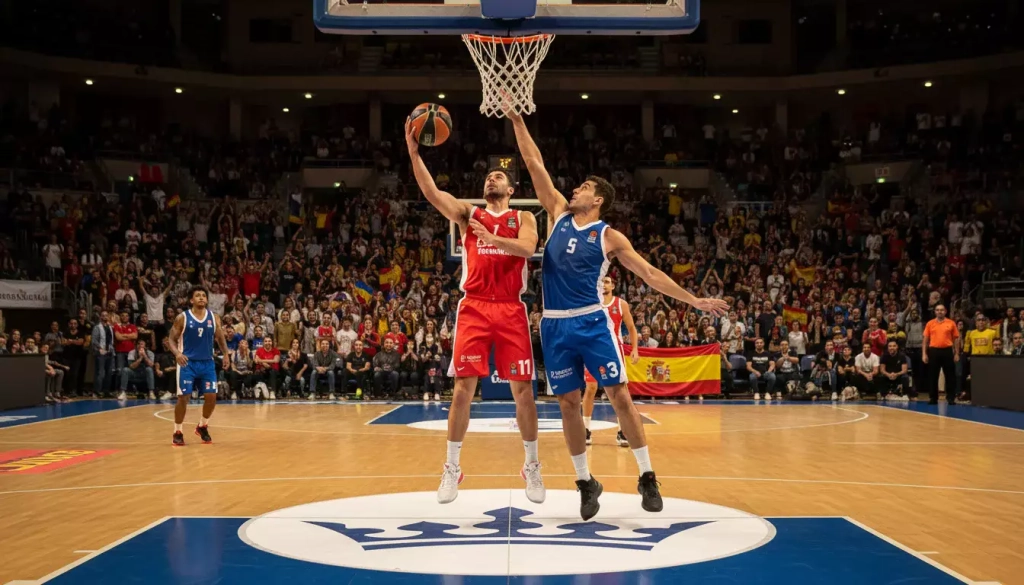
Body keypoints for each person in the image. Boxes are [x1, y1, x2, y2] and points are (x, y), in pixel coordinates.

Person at [509, 108, 728, 520]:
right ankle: (585, 483)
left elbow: (649, 273)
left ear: (598, 200)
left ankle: (646, 475)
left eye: (584, 187)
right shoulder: (556, 214)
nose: (575, 189)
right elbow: (534, 162)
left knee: (620, 396)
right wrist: (518, 120)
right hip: (554, 324)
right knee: (568, 405)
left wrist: (693, 301)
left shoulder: (608, 235)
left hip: (592, 321)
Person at [406, 118, 544, 506]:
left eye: (498, 176)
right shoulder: (468, 214)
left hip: (511, 308)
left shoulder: (524, 218)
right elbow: (432, 193)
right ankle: (452, 467)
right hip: (475, 307)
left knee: (524, 394)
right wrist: (415, 152)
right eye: (487, 177)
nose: (491, 180)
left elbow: (528, 249)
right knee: (462, 390)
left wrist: (494, 237)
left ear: (511, 189)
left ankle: (531, 465)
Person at [168, 286, 230, 446]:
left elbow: (220, 338)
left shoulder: (214, 318)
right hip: (187, 363)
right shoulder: (182, 317)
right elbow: (171, 340)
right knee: (184, 398)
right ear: (191, 300)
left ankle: (202, 425)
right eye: (198, 295)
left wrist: (226, 354)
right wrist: (177, 354)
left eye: (204, 295)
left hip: (207, 363)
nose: (201, 298)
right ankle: (178, 431)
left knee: (211, 397)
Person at [582, 276, 639, 447]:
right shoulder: (591, 303)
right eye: (601, 282)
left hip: (613, 351)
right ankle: (585, 429)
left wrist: (635, 349)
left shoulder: (621, 304)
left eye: (607, 282)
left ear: (613, 285)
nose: (604, 284)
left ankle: (623, 431)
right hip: (592, 349)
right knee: (590, 388)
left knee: (619, 391)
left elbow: (631, 328)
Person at [923, 304, 960, 405]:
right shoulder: (930, 323)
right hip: (934, 351)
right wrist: (924, 354)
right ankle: (933, 398)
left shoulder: (951, 323)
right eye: (937, 310)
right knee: (933, 376)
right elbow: (926, 340)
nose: (939, 312)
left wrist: (957, 353)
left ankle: (951, 398)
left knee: (950, 376)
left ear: (945, 311)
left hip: (947, 351)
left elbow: (956, 339)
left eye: (941, 310)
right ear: (935, 312)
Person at [961, 314, 997, 403]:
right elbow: (966, 347)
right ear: (976, 323)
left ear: (986, 322)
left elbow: (997, 345)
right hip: (975, 360)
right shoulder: (971, 333)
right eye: (979, 320)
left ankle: (989, 398)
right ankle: (974, 398)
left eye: (983, 320)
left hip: (989, 360)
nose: (981, 322)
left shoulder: (992, 332)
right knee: (974, 380)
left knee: (988, 380)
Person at [253, 335, 281, 399]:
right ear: (263, 342)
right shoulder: (259, 350)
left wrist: (262, 361)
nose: (267, 343)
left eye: (269, 341)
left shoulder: (276, 350)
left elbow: (276, 360)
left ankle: (272, 392)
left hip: (273, 370)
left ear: (272, 342)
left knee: (272, 372)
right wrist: (264, 363)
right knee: (258, 372)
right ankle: (260, 391)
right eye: (266, 341)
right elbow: (256, 360)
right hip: (262, 370)